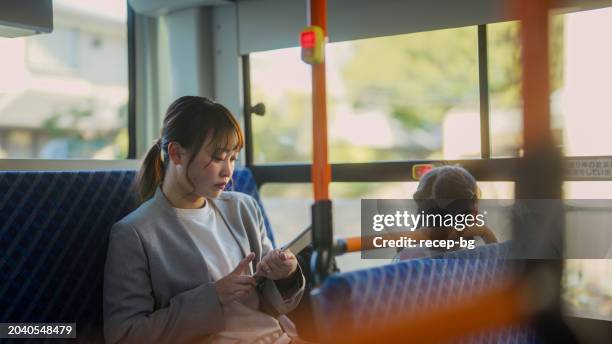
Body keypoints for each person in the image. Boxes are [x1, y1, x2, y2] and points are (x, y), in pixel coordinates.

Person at [103, 96, 304, 344]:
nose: (228, 171)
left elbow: (272, 303)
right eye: (218, 157)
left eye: (233, 158)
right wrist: (213, 296)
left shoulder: (244, 209)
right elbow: (125, 335)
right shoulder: (134, 233)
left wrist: (286, 275)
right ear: (176, 153)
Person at [395, 165, 498, 260]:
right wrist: (485, 232)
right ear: (473, 216)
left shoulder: (408, 258)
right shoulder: (480, 258)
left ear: (420, 215)